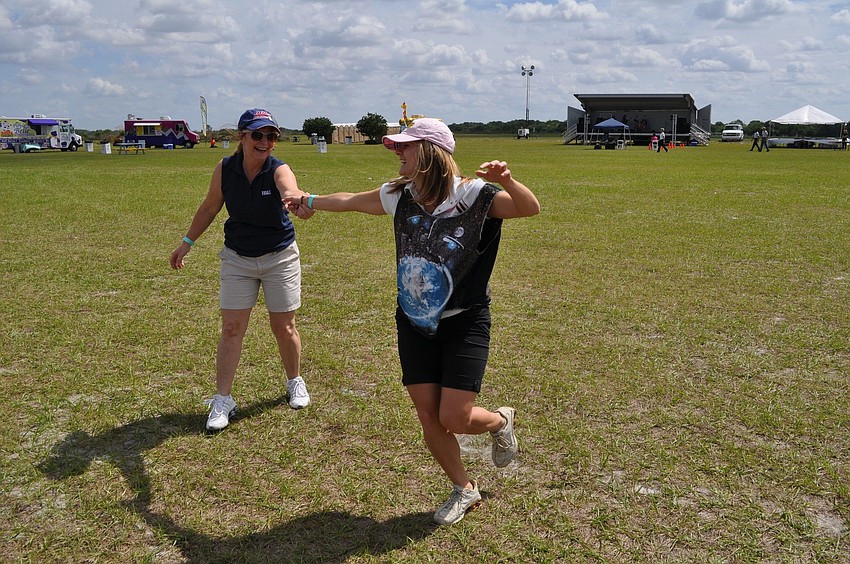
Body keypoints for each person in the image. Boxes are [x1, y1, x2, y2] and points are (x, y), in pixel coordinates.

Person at [285, 118, 540, 525]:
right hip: (414, 320)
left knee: (454, 416)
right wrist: (308, 199)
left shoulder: (475, 195)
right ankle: (464, 489)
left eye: (406, 146)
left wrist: (507, 180)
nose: (397, 152)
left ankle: (500, 420)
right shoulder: (399, 195)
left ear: (430, 152)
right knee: (427, 414)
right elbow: (351, 199)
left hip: (464, 320)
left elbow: (528, 208)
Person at [170, 108, 314, 432]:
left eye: (271, 136)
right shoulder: (225, 168)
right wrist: (186, 243)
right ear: (242, 136)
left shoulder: (279, 169)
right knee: (232, 327)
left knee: (284, 326)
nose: (265, 142)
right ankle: (223, 399)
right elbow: (210, 206)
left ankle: (295, 381)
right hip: (237, 257)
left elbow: (289, 188)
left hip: (279, 257)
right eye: (258, 135)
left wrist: (296, 201)